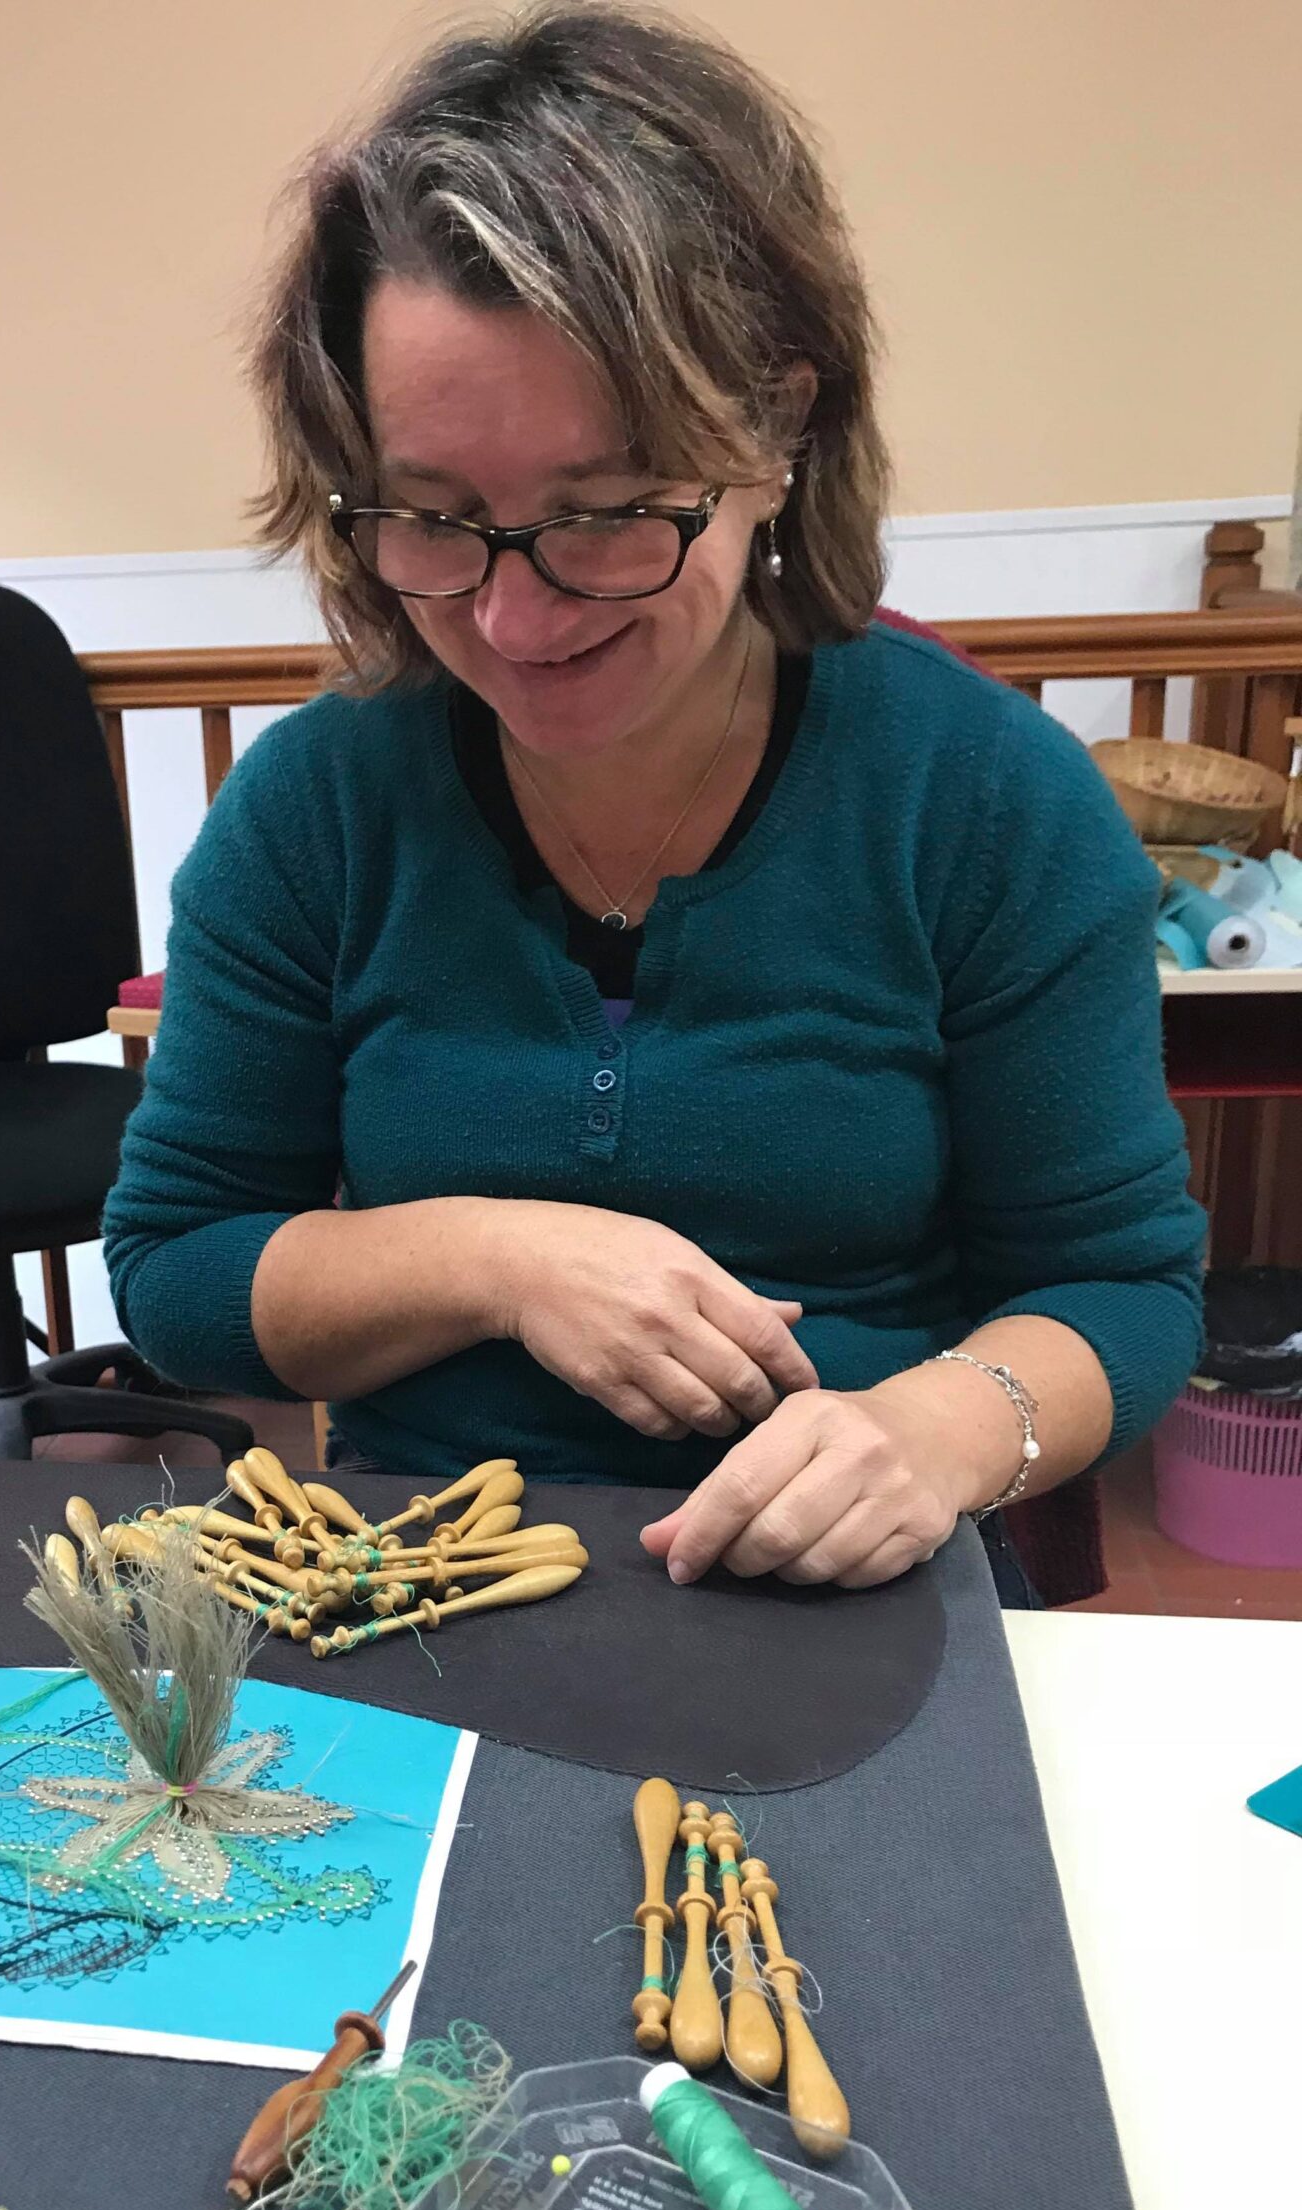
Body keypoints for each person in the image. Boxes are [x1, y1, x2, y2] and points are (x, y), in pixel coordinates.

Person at [102, 5, 1204, 1601]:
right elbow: (181, 1265)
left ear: (780, 434)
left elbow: (1117, 1289)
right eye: (432, 517)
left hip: (860, 1603)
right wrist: (500, 1256)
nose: (517, 620)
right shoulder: (317, 809)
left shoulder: (982, 800)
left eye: (608, 515)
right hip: (425, 1586)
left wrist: (937, 1433)